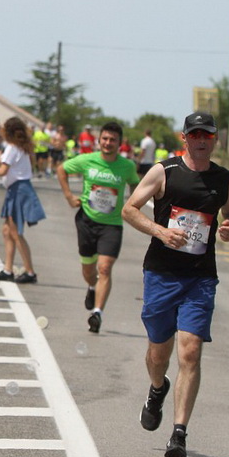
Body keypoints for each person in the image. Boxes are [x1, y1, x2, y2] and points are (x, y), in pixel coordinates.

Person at [121, 112, 229, 457]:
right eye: (196, 134)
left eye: (208, 135)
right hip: (161, 274)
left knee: (190, 352)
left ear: (215, 139)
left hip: (200, 278)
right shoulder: (164, 172)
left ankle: (179, 433)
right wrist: (161, 232)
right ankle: (158, 387)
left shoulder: (224, 178)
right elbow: (129, 209)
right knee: (159, 353)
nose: (202, 140)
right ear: (185, 138)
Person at [56, 121, 140, 333]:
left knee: (104, 268)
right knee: (88, 269)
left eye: (112, 140)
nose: (108, 143)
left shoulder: (127, 166)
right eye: (104, 139)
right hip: (87, 221)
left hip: (111, 225)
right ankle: (91, 287)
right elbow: (61, 169)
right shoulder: (87, 160)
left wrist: (133, 203)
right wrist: (68, 196)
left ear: (120, 143)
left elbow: (136, 185)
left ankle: (97, 313)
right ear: (98, 140)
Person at [0, 117, 44, 284]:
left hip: (18, 190)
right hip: (17, 189)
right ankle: (8, 268)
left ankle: (30, 271)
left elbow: (2, 170)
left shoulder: (12, 147)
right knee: (7, 231)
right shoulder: (19, 147)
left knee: (15, 232)